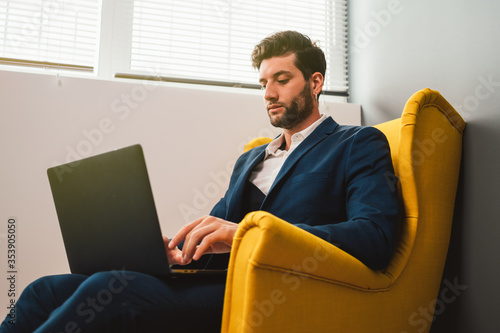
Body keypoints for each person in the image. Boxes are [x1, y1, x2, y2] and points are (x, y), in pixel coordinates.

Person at [0, 31, 398, 332]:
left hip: (279, 287)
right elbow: (216, 232)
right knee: (44, 288)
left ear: (314, 82)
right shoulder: (251, 159)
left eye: (282, 79)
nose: (269, 93)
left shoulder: (357, 143)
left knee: (111, 289)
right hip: (217, 278)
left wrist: (246, 233)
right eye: (263, 83)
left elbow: (374, 237)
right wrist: (174, 250)